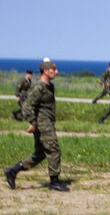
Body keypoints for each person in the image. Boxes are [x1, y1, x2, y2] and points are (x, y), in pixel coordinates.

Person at [5, 60, 69, 191]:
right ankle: (54, 181)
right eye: (54, 69)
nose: (56, 71)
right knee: (54, 150)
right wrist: (32, 123)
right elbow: (27, 106)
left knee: (40, 154)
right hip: (42, 124)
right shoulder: (39, 87)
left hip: (48, 122)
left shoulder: (49, 86)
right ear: (46, 71)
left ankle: (13, 170)